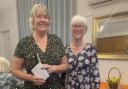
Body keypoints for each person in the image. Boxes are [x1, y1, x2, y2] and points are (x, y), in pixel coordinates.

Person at [11, 4, 68, 89]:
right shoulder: (24, 43)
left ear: (49, 20)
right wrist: (32, 78)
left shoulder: (56, 40)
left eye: (45, 17)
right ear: (32, 20)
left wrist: (54, 68)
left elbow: (65, 65)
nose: (43, 20)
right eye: (39, 17)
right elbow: (14, 70)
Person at [65, 15, 100, 89]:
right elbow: (62, 74)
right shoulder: (65, 49)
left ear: (85, 29)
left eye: (81, 26)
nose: (77, 29)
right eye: (74, 26)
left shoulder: (90, 48)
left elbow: (95, 73)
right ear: (71, 29)